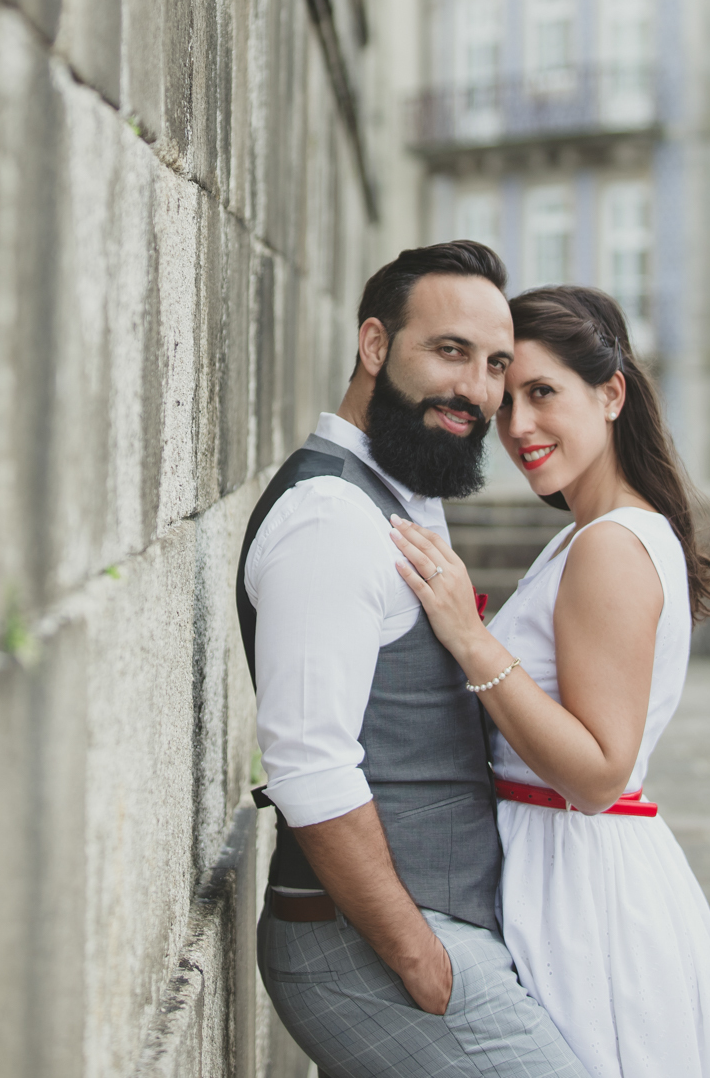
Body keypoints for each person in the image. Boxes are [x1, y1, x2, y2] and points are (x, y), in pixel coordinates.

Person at [238, 242, 590, 1078]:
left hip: (421, 932)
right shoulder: (330, 517)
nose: (476, 389)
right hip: (367, 947)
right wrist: (415, 958)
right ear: (373, 347)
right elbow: (309, 763)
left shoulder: (399, 496)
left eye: (495, 364)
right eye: (449, 351)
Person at [390, 285, 710, 1078]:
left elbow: (596, 772)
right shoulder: (592, 534)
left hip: (582, 891)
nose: (516, 427)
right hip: (567, 869)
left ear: (610, 392)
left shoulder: (608, 546)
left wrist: (468, 637)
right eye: (504, 400)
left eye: (542, 393)